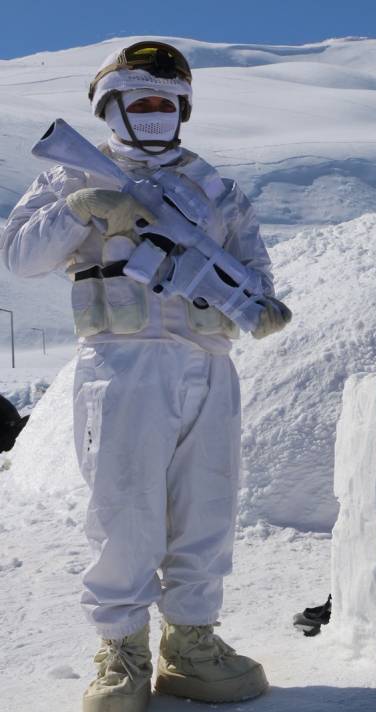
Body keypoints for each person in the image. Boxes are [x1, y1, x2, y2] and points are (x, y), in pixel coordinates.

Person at [1, 41, 290, 712]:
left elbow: (256, 270)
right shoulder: (69, 177)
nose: (156, 113)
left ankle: (191, 643)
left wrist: (222, 287)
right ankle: (121, 650)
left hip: (210, 364)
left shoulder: (213, 186)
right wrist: (81, 208)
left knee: (207, 511)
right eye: (142, 102)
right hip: (122, 361)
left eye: (167, 102)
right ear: (111, 107)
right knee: (124, 510)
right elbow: (19, 256)